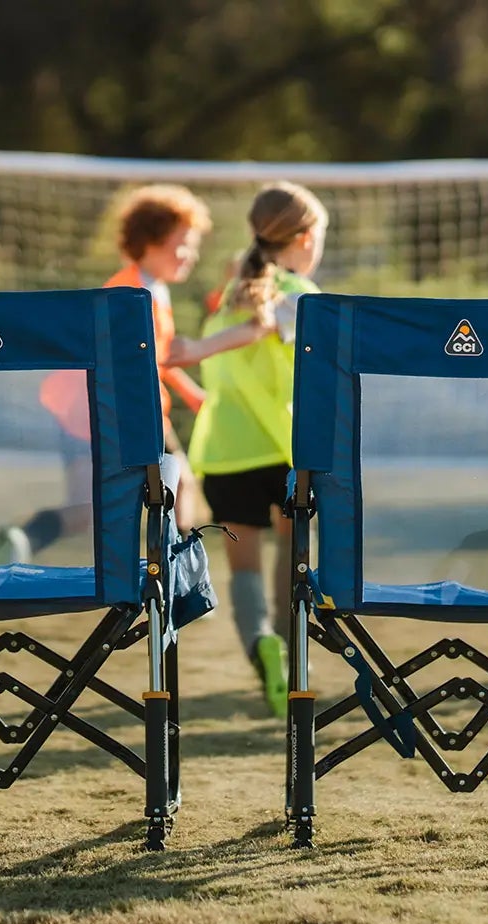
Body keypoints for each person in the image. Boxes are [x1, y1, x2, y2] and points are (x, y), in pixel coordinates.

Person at [163, 182, 328, 718]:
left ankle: (261, 651)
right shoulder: (299, 293)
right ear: (304, 238)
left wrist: (198, 346)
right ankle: (288, 650)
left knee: (245, 568)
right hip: (283, 450)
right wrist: (199, 350)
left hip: (224, 452)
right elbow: (267, 329)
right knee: (293, 557)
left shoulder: (232, 292)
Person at [0, 185, 212, 562]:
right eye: (183, 243)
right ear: (150, 240)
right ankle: (177, 573)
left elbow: (155, 356)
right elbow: (124, 363)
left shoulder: (150, 287)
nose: (191, 255)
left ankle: (24, 537)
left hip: (101, 410)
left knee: (155, 492)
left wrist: (189, 390)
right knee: (147, 495)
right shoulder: (129, 294)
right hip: (105, 411)